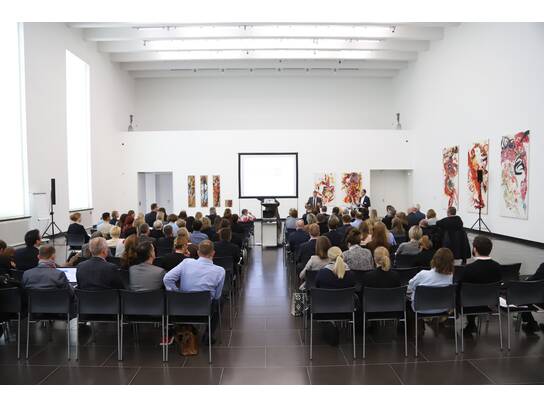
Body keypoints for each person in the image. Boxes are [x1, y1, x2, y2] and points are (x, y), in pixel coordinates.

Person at [163, 240, 225, 342]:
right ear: (213, 253)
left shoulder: (186, 263)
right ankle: (208, 335)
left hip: (182, 307)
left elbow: (167, 279)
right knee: (219, 300)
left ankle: (186, 328)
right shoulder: (220, 271)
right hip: (204, 309)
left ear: (198, 252)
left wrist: (176, 292)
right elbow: (217, 296)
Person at [456, 235, 502, 335]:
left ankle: (470, 323)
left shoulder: (468, 269)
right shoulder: (498, 267)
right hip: (489, 302)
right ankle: (471, 324)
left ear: (475, 249)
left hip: (468, 303)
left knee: (464, 293)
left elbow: (459, 288)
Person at [408, 248, 454, 314]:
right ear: (451, 262)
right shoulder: (453, 278)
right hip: (444, 308)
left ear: (434, 259)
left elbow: (410, 287)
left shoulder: (422, 274)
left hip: (421, 308)